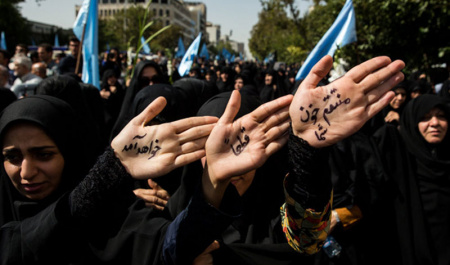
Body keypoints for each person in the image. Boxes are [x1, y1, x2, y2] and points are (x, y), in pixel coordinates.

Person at [163, 55, 406, 264]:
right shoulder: (167, 217)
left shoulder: (281, 215)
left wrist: (307, 152)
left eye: (241, 146)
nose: (231, 166)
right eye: (214, 149)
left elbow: (309, 241)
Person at [0, 95, 218, 264]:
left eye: (43, 155)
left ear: (70, 153)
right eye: (13, 157)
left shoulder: (110, 216)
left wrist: (216, 183)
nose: (26, 172)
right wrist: (108, 171)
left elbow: (172, 244)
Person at [373, 94, 450, 265]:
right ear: (412, 121)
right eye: (425, 117)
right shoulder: (400, 162)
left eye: (442, 116)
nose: (435, 123)